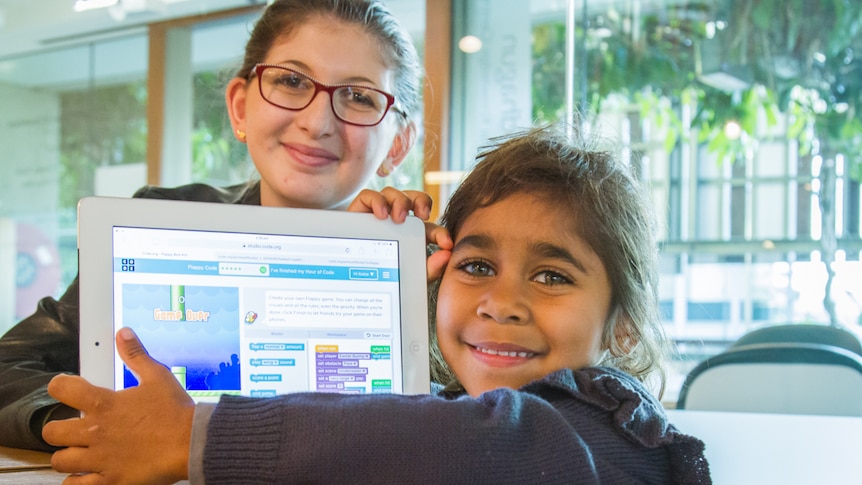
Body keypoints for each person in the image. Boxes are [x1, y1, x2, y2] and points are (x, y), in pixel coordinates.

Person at [43, 122, 713, 484]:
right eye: (476, 264)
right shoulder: (446, 409)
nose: (501, 301)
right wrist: (383, 259)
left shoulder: (618, 431)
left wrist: (194, 435)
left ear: (623, 330)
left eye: (552, 276)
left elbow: (482, 445)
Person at [0, 0, 451, 452]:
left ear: (398, 144)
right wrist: (105, 425)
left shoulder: (435, 264)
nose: (317, 122)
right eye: (292, 81)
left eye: (358, 96)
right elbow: (9, 365)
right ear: (240, 108)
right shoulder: (160, 220)